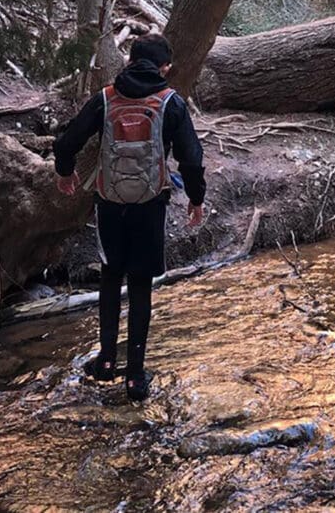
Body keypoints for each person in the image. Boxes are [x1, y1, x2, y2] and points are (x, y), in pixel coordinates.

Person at [53, 34, 205, 401]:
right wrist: (196, 199)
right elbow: (192, 159)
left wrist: (64, 171)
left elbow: (68, 140)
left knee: (110, 278)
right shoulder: (171, 103)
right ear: (164, 67)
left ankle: (106, 361)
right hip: (150, 204)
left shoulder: (106, 99)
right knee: (139, 285)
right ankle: (135, 376)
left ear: (130, 61)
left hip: (110, 203)